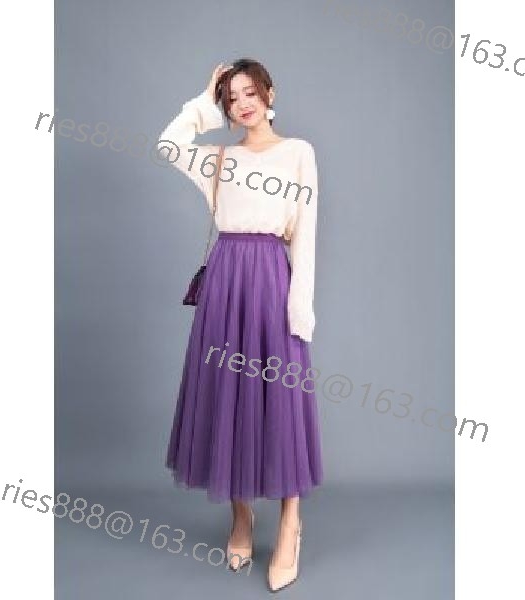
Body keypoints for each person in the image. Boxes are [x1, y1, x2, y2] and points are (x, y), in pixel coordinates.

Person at [159, 58, 323, 592]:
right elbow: (168, 144)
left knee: (280, 398)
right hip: (226, 280)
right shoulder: (220, 158)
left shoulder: (298, 153)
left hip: (272, 278)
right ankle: (241, 516)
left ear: (270, 93)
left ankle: (291, 523)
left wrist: (299, 310)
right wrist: (203, 100)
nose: (242, 103)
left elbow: (306, 235)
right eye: (231, 97)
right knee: (228, 394)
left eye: (250, 92)